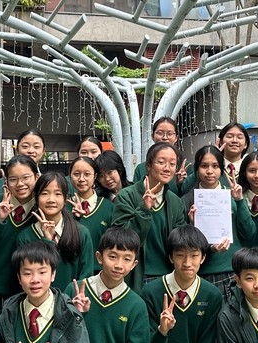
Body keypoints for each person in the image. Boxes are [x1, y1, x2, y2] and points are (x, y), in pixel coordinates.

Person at [181, 144, 255, 302]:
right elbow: (180, 242)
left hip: (230, 269)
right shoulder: (186, 200)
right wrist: (192, 225)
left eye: (215, 166)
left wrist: (240, 201)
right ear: (196, 169)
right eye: (204, 166)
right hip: (199, 272)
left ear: (221, 169)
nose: (209, 171)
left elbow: (249, 232)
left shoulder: (232, 196)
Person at [111, 142, 188, 287]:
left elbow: (179, 243)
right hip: (137, 276)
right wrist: (144, 209)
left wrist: (190, 227)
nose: (167, 168)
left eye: (172, 164)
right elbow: (121, 239)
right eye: (161, 162)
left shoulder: (176, 202)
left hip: (168, 277)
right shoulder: (127, 195)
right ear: (148, 165)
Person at [0, 155, 39, 314]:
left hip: (28, 294)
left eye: (26, 178)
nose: (20, 184)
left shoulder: (42, 208)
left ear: (36, 177)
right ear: (6, 182)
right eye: (13, 179)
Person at [18, 171, 95, 292]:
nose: (51, 199)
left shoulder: (81, 233)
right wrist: (47, 241)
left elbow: (86, 275)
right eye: (44, 193)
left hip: (73, 301)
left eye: (58, 194)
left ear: (65, 198)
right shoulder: (25, 236)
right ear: (36, 198)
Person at [68, 155, 113, 247]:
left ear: (95, 176)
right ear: (70, 176)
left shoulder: (109, 207)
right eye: (76, 174)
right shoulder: (64, 208)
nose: (81, 179)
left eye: (87, 174)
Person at [133, 117, 186, 194]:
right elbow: (135, 194)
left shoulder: (186, 168)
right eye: (160, 133)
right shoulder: (141, 168)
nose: (165, 137)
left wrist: (181, 184)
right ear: (152, 136)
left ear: (176, 138)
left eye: (169, 134)